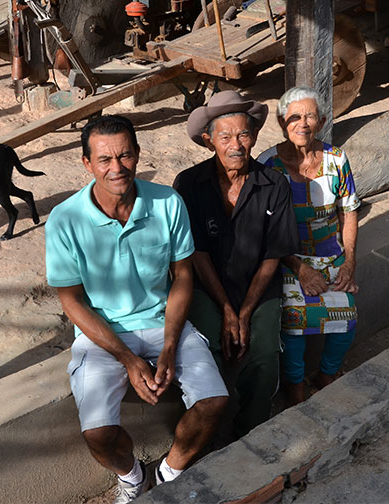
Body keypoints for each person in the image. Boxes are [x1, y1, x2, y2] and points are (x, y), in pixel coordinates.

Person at [44, 115, 228, 503]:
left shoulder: (167, 202)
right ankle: (131, 477)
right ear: (86, 164)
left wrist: (169, 346)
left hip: (164, 322)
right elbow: (71, 300)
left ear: (138, 155)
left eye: (125, 156)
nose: (117, 168)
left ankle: (168, 472)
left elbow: (182, 277)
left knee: (214, 402)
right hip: (103, 334)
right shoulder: (65, 219)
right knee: (98, 434)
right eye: (105, 159)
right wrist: (128, 359)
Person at [173, 91, 300, 439]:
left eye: (243, 135)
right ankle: (205, 434)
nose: (236, 145)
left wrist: (244, 313)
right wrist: (227, 310)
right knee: (206, 349)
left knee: (263, 352)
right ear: (208, 139)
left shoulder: (274, 184)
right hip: (206, 285)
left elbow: (273, 254)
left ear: (255, 137)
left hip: (258, 286)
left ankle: (251, 432)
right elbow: (195, 253)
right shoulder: (189, 184)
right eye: (225, 136)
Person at [257, 86, 360, 406]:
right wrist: (299, 269)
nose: (302, 123)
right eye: (294, 117)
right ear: (281, 122)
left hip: (331, 254)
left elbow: (349, 210)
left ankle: (327, 375)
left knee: (347, 320)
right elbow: (263, 228)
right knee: (294, 322)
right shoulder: (268, 164)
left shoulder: (336, 159)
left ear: (323, 121)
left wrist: (349, 262)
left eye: (310, 116)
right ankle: (296, 385)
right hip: (287, 257)